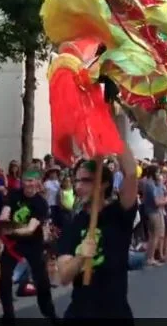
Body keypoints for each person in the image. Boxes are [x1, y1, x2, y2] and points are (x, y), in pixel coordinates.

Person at [56, 125, 138, 319]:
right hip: (80, 314)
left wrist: (110, 130)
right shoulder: (74, 223)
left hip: (115, 314)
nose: (78, 187)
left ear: (103, 183)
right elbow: (64, 276)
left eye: (86, 181)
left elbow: (131, 173)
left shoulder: (119, 213)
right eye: (76, 181)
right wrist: (80, 257)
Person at [0, 169, 57, 322]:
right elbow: (6, 211)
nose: (29, 184)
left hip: (32, 243)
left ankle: (49, 313)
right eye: (26, 180)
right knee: (4, 278)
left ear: (37, 182)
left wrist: (9, 229)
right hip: (13, 243)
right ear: (22, 182)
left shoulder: (41, 203)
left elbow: (30, 229)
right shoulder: (14, 194)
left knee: (42, 281)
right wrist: (3, 219)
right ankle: (8, 315)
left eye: (32, 181)